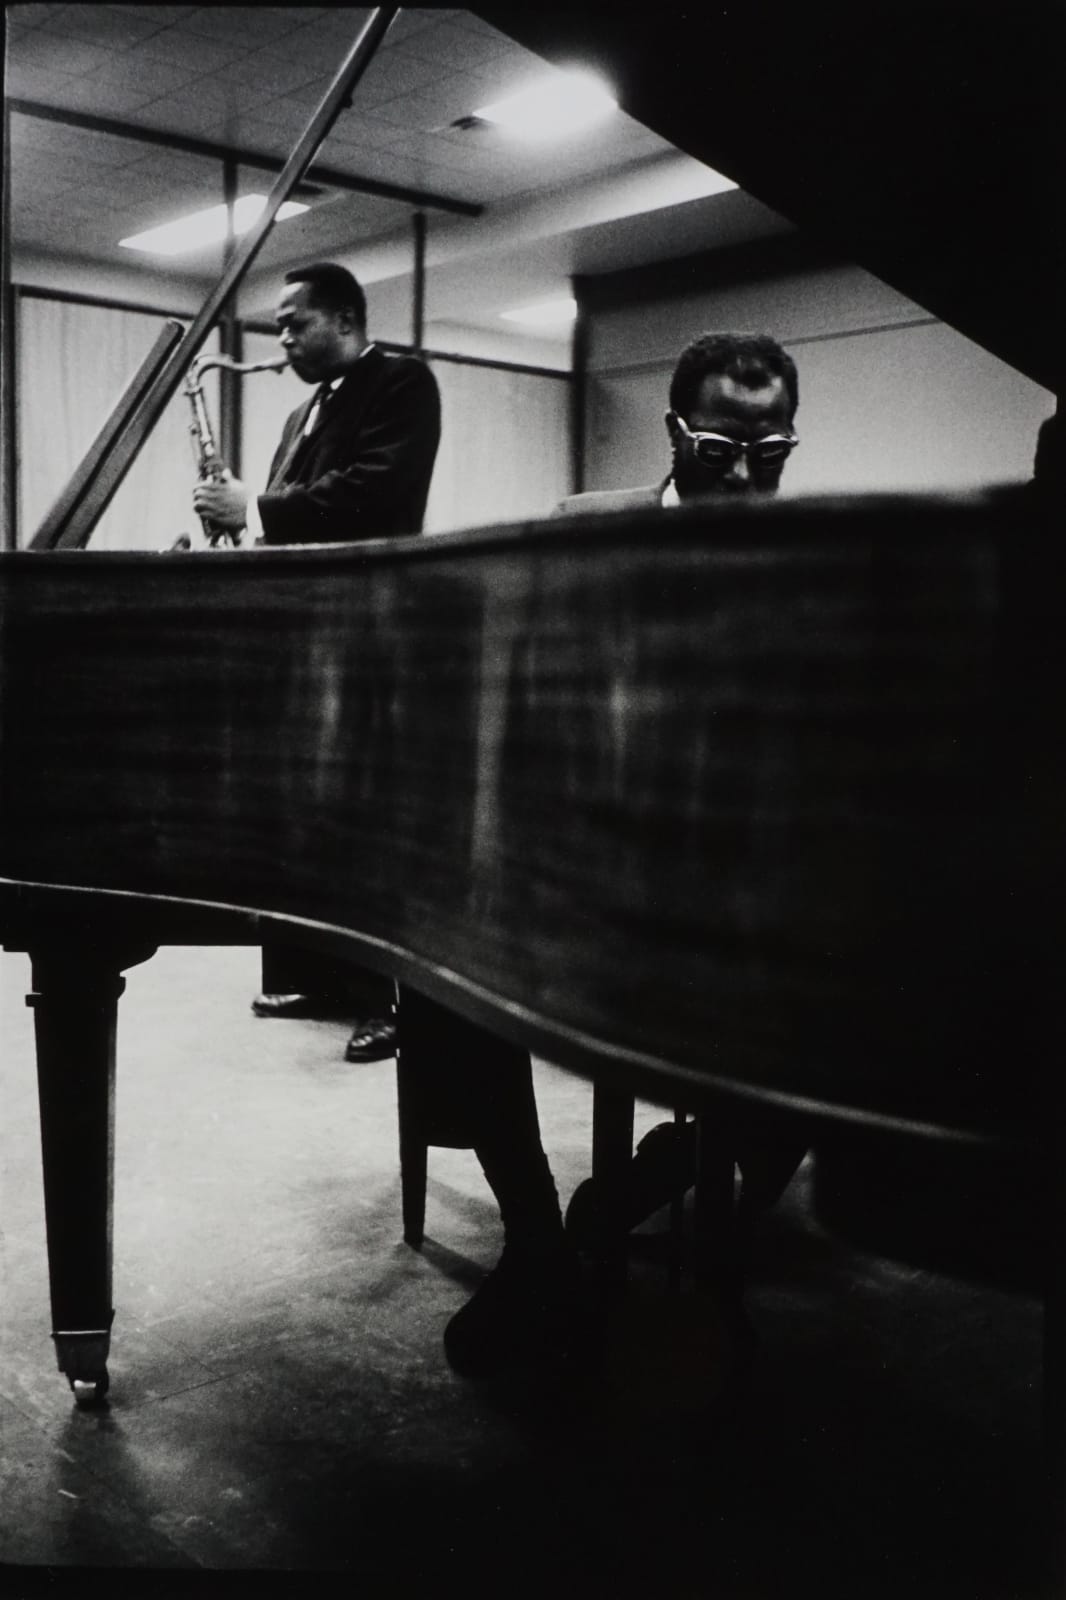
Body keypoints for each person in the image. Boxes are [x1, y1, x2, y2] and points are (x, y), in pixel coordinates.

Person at [416, 332, 809, 1381]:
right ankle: (537, 1235)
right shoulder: (584, 530)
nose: (745, 474)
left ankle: (657, 1183)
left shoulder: (805, 562)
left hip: (725, 887)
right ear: (678, 432)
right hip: (581, 866)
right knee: (439, 963)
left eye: (771, 454)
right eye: (724, 447)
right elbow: (509, 689)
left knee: (841, 997)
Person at [193, 261, 441, 1064]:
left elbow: (376, 489)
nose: (283, 338)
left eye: (295, 322)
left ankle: (389, 1002)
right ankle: (319, 975)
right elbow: (296, 513)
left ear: (343, 317)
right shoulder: (302, 411)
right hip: (307, 629)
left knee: (365, 818)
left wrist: (256, 506)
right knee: (307, 810)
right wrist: (247, 523)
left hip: (369, 627)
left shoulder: (402, 383)